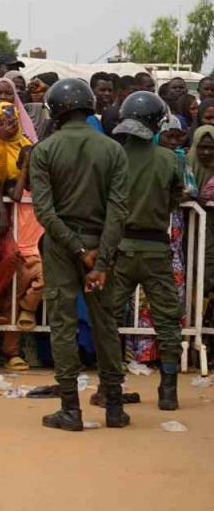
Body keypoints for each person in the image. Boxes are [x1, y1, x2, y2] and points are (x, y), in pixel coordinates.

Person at [29, 78, 127, 431]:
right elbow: (118, 211)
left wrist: (78, 250)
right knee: (106, 323)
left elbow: (44, 211)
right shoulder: (113, 150)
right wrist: (100, 259)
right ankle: (114, 405)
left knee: (63, 323)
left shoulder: (44, 150)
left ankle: (70, 408)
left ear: (54, 111)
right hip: (103, 244)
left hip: (61, 245)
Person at [104, 92, 184, 412]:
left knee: (107, 318)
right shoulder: (169, 158)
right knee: (167, 322)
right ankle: (168, 390)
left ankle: (109, 386)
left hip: (120, 248)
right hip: (155, 249)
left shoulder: (114, 155)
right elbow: (174, 198)